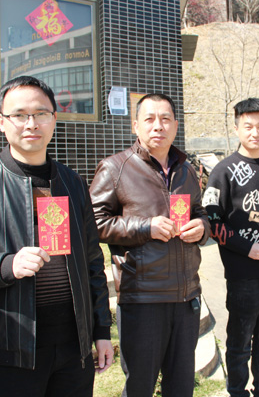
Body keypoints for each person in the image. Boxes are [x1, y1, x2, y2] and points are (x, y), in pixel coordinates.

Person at [0, 76, 113, 396]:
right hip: (10, 347)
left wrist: (101, 330)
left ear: (54, 119)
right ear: (1, 122)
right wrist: (6, 265)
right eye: (19, 115)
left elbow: (92, 261)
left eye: (41, 113)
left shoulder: (72, 182)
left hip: (73, 347)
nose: (31, 123)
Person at [90, 93, 210, 397]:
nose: (158, 126)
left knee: (181, 386)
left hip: (186, 296)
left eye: (165, 119)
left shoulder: (186, 169)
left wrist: (202, 228)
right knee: (140, 386)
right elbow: (94, 223)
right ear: (135, 126)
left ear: (176, 125)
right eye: (150, 119)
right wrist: (145, 227)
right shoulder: (115, 168)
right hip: (142, 298)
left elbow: (199, 212)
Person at [203, 98, 259, 397]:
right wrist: (246, 247)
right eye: (248, 126)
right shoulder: (223, 171)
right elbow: (212, 220)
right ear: (237, 128)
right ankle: (238, 392)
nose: (255, 132)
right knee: (240, 343)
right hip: (243, 273)